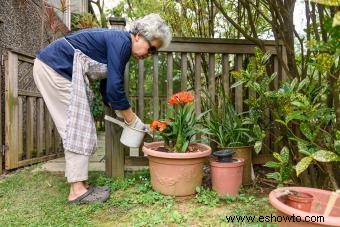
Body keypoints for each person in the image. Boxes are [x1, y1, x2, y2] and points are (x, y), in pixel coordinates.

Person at [33, 14, 172, 203]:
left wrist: (120, 112)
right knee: (76, 127)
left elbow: (107, 90)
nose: (150, 54)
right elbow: (115, 89)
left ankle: (80, 184)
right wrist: (132, 119)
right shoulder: (121, 41)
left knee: (79, 126)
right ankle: (77, 191)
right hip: (55, 68)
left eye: (154, 52)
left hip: (55, 69)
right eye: (152, 48)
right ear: (138, 35)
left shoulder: (119, 44)